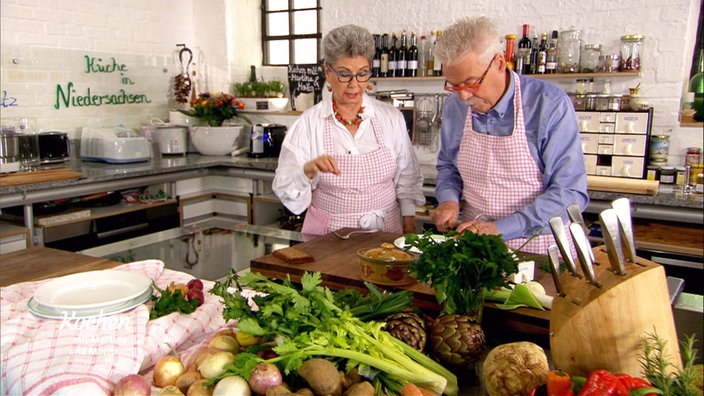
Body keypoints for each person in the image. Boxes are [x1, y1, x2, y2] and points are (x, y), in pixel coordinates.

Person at [431, 16, 589, 255]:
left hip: (540, 248)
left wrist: (500, 228)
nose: (463, 97)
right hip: (476, 246)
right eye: (454, 85)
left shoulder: (548, 105)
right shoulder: (456, 106)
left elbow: (569, 193)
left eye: (471, 83)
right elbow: (448, 167)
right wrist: (448, 200)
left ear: (499, 62)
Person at [273, 24, 425, 236]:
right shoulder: (309, 123)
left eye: (362, 74)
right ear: (327, 70)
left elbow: (408, 180)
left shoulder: (390, 118)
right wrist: (306, 171)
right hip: (327, 238)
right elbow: (285, 187)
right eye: (344, 74)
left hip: (386, 234)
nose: (354, 84)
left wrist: (409, 230)